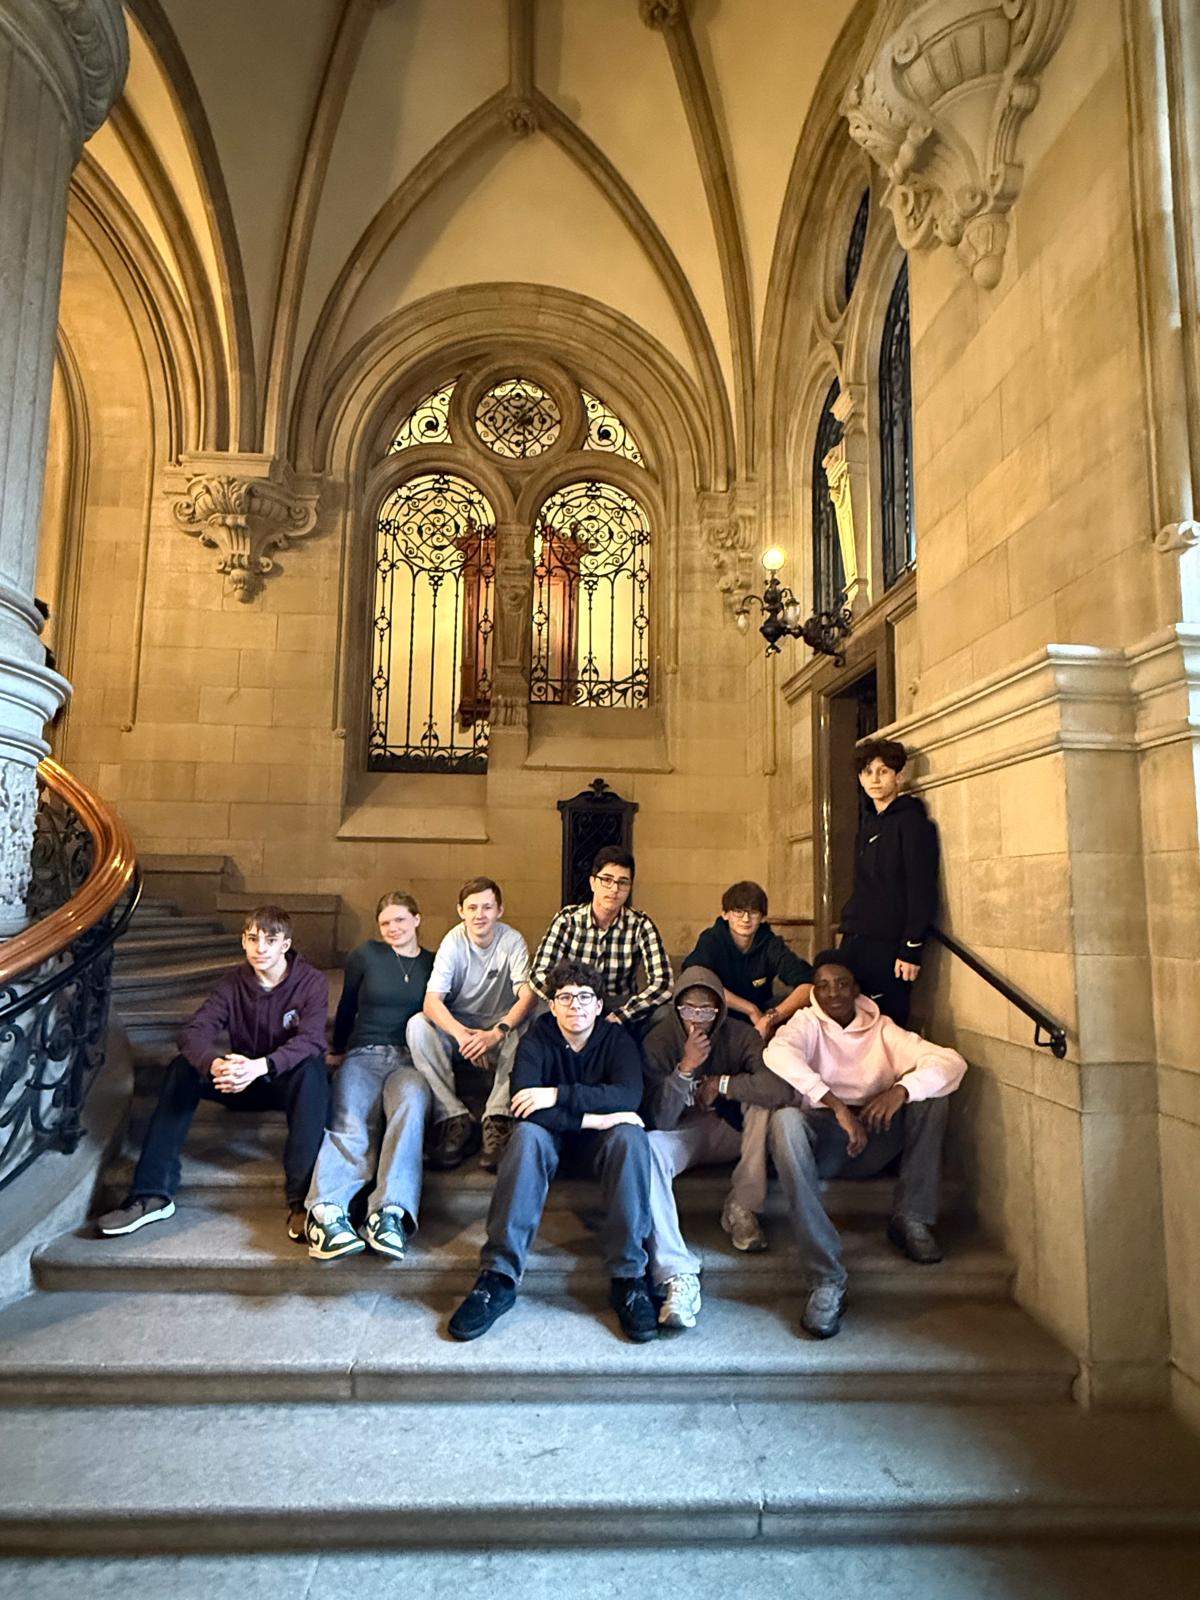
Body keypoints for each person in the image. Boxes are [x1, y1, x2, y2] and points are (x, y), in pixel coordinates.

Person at [447, 960, 657, 1345]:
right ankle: (498, 1276)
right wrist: (596, 1118)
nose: (575, 1005)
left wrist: (557, 1094)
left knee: (630, 1137)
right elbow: (523, 1103)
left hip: (601, 1149)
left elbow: (628, 1096)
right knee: (526, 1136)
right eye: (565, 997)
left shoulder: (617, 1040)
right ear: (554, 1005)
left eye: (585, 997)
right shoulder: (537, 1038)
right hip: (550, 1141)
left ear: (599, 1006)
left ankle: (629, 1277)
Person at [761, 949, 966, 1340]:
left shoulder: (882, 1028)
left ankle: (911, 1218)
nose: (833, 993)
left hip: (874, 1133)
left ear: (855, 989)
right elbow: (777, 1054)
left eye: (841, 984)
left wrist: (902, 1090)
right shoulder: (804, 1024)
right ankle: (826, 1278)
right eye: (823, 986)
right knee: (784, 1121)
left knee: (933, 1094)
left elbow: (951, 1062)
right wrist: (837, 1106)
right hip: (825, 1141)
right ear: (813, 992)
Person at [97, 905, 330, 1242]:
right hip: (237, 1083)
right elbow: (193, 1033)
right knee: (182, 1068)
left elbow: (311, 1039)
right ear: (243, 941)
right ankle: (151, 1194)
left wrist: (260, 1066)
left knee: (311, 1069)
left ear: (285, 945)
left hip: (282, 1081)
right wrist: (216, 1064)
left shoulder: (311, 982)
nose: (260, 948)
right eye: (253, 939)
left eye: (270, 940)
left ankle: (302, 1202)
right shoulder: (232, 983)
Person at [642, 966, 796, 1329]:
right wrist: (685, 1069)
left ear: (720, 1010)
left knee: (766, 1107)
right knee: (647, 1147)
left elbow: (779, 1088)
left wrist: (722, 1084)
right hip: (685, 1131)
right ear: (676, 1008)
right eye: (689, 1010)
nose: (697, 1019)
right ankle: (677, 1271)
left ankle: (743, 1204)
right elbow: (658, 1119)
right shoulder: (658, 1041)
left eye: (707, 1010)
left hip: (732, 1128)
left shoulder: (741, 1036)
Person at [305, 891, 435, 1262]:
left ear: (416, 919)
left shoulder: (435, 961)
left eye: (400, 919)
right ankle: (328, 1213)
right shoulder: (365, 955)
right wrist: (338, 1048)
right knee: (349, 1117)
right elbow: (347, 1005)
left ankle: (388, 1213)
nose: (393, 928)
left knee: (410, 1107)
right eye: (385, 923)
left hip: (411, 1059)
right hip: (364, 1054)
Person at [406, 876, 536, 1173]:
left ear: (499, 910)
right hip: (461, 1029)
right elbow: (431, 1002)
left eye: (487, 907)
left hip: (498, 1028)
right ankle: (454, 1116)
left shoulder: (512, 940)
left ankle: (497, 1117)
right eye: (472, 907)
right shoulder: (453, 942)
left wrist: (496, 1034)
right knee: (417, 1025)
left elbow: (527, 996)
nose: (480, 915)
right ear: (460, 911)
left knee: (529, 1021)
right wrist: (464, 1037)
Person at [838, 738, 939, 1026]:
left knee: (886, 1024)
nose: (875, 779)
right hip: (856, 939)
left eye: (883, 771)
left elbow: (922, 888)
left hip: (890, 945)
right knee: (849, 1022)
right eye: (868, 772)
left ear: (899, 776)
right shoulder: (868, 827)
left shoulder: (912, 823)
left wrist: (911, 947)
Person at [528, 846, 672, 1040]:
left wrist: (623, 1015)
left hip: (619, 1004)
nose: (614, 889)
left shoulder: (640, 925)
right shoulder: (568, 920)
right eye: (607, 880)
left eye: (623, 882)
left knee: (665, 1014)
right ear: (593, 883)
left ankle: (638, 1057)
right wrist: (569, 1001)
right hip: (575, 998)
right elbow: (538, 973)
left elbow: (663, 983)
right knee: (540, 1013)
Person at [683, 880, 813, 1041]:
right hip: (719, 1015)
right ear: (725, 914)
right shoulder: (712, 939)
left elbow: (808, 985)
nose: (746, 919)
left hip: (762, 1015)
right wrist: (750, 1009)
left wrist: (770, 1018)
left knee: (806, 1011)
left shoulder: (770, 943)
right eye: (738, 912)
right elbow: (697, 981)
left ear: (763, 917)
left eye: (753, 912)